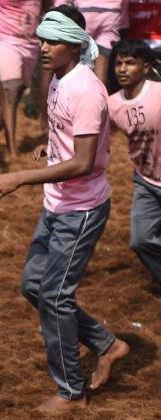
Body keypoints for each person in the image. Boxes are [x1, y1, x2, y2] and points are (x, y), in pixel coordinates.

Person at [0, 6, 129, 413]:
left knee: (54, 295)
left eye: (53, 41)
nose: (43, 48)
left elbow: (84, 162)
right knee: (35, 287)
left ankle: (71, 392)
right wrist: (49, 147)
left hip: (80, 211)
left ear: (75, 44)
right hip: (57, 204)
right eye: (42, 40)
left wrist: (18, 178)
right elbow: (68, 138)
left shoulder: (84, 88)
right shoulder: (59, 77)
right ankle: (106, 343)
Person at [107, 39, 160, 284]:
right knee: (140, 240)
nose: (122, 69)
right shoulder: (112, 104)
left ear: (146, 67)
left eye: (130, 63)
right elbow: (92, 135)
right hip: (146, 181)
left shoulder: (158, 93)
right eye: (118, 63)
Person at [0, 0, 51, 156]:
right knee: (11, 94)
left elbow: (47, 7)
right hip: (8, 41)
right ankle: (12, 150)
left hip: (31, 44)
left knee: (14, 97)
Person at [74, 0, 124, 84]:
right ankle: (99, 96)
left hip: (84, 10)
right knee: (101, 73)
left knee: (78, 69)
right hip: (111, 12)